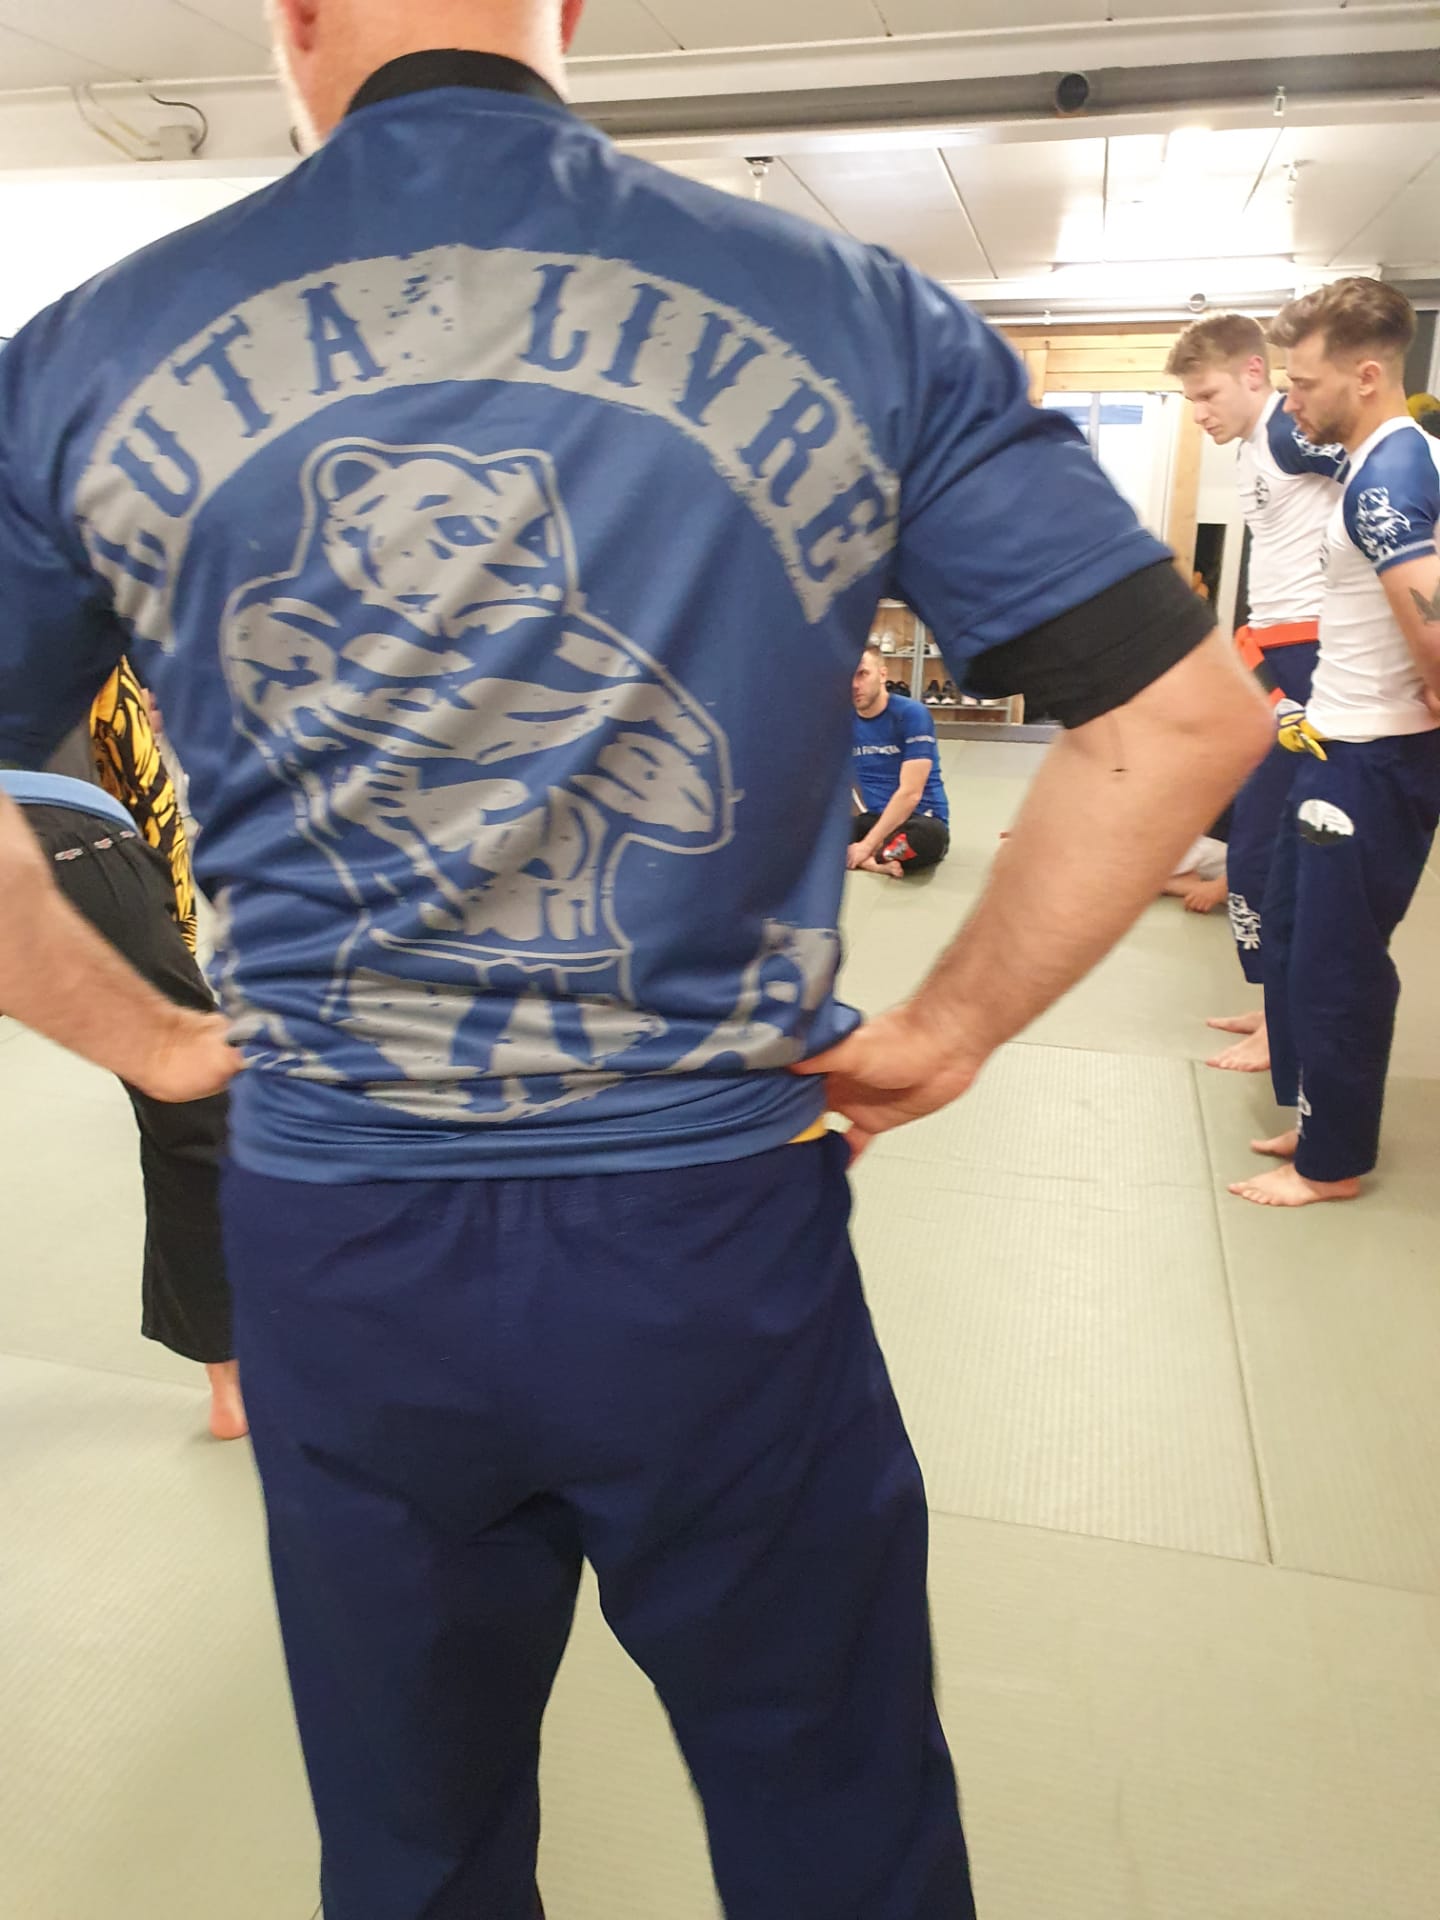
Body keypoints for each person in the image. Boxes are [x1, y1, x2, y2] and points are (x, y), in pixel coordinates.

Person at [0, 3, 1271, 1914]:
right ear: (573, 10)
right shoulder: (852, 310)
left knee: (413, 1840)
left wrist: (159, 1042)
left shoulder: (86, 354)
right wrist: (950, 1030)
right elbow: (1184, 719)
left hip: (342, 1232)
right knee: (833, 1813)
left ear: (292, 18)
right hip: (708, 1229)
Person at [1229, 278, 1440, 1208]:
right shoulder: (1378, 465)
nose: (1291, 404)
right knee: (1291, 931)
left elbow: (1433, 629)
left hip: (1372, 759)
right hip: (1336, 742)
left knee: (1338, 963)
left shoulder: (1387, 480)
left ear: (1365, 377)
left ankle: (1332, 1164)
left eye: (1304, 384)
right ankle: (1317, 1116)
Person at [0, 673, 243, 1439]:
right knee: (193, 1110)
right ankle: (233, 1384)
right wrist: (174, 927)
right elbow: (136, 760)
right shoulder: (52, 610)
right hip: (63, 827)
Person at [1167, 312, 1348, 1072]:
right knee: (1253, 845)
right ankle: (1275, 1002)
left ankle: (1286, 1026)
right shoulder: (1253, 448)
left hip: (1315, 652)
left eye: (1207, 394)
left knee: (1281, 850)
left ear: (1253, 372)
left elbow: (1396, 468)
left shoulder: (1287, 430)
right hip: (1273, 650)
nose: (1199, 413)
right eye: (1190, 400)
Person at [850, 643, 951, 877]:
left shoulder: (912, 714)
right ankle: (876, 860)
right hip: (875, 820)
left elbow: (911, 793)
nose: (854, 685)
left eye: (863, 674)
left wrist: (865, 845)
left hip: (921, 821)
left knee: (922, 841)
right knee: (811, 838)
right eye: (848, 676)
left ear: (882, 674)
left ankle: (869, 854)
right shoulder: (842, 720)